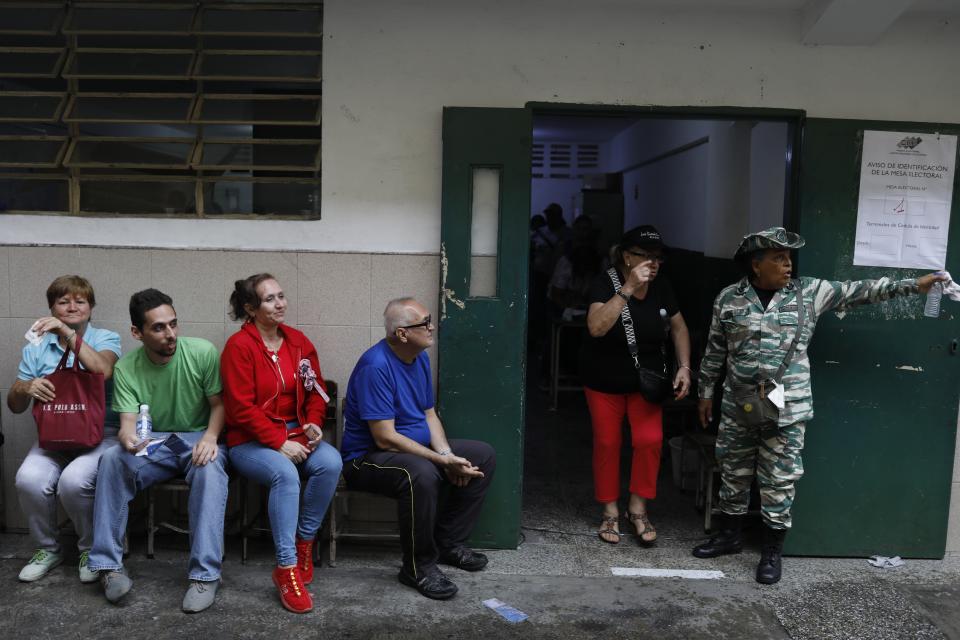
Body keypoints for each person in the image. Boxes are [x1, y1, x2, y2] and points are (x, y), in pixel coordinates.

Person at [692, 227, 947, 584]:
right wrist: (705, 393)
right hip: (739, 404)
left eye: (789, 258)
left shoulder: (810, 292)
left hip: (788, 407)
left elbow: (862, 291)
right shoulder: (728, 299)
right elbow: (715, 350)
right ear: (756, 264)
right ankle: (729, 536)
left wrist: (913, 285)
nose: (787, 265)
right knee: (733, 472)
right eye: (778, 259)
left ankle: (771, 551)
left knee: (779, 480)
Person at [340, 298, 496, 600]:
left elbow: (428, 414)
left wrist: (448, 456)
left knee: (482, 455)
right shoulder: (376, 366)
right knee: (421, 473)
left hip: (413, 449)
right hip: (365, 459)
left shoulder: (419, 357)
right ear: (402, 333)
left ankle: (448, 543)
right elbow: (384, 437)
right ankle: (417, 567)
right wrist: (440, 460)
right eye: (425, 323)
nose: (432, 327)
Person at [88, 289, 228, 613]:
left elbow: (219, 405)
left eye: (173, 324)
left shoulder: (202, 352)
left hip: (197, 438)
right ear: (137, 332)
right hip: (157, 442)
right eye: (159, 328)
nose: (171, 334)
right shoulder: (127, 366)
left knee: (211, 467)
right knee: (111, 459)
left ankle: (205, 575)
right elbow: (127, 423)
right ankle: (109, 568)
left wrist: (210, 437)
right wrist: (127, 439)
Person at [221, 274, 342, 614]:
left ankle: (305, 542)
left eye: (281, 296)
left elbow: (317, 389)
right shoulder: (239, 347)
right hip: (250, 441)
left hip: (296, 434)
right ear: (250, 308)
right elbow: (240, 409)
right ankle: (286, 566)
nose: (280, 303)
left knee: (330, 463)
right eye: (270, 299)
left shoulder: (298, 342)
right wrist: (278, 442)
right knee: (285, 475)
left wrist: (314, 422)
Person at [579, 225, 692, 546]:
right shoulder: (605, 283)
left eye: (658, 257)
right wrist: (628, 287)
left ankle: (638, 509)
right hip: (603, 380)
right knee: (607, 443)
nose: (653, 263)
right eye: (645, 256)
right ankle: (610, 512)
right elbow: (596, 328)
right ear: (627, 257)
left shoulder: (662, 287)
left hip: (647, 382)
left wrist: (684, 366)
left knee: (649, 440)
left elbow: (679, 327)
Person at [8, 276, 121, 583]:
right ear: (52, 308)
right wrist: (25, 387)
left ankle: (89, 549)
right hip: (54, 437)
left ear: (91, 307)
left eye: (80, 301)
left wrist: (68, 334)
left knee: (73, 482)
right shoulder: (36, 348)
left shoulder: (106, 338)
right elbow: (14, 406)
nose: (72, 306)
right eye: (63, 301)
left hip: (102, 435)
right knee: (29, 479)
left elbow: (103, 370)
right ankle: (48, 549)